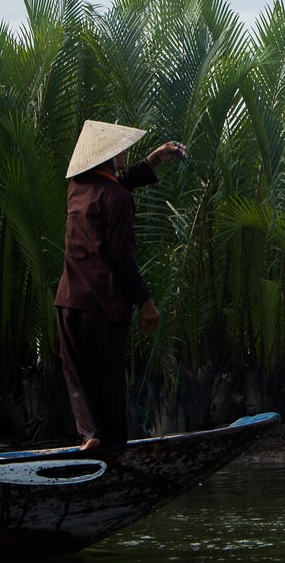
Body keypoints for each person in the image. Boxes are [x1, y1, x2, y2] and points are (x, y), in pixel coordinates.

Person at [54, 119, 187, 450]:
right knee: (110, 382)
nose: (125, 153)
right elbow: (121, 257)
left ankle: (90, 435)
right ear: (107, 159)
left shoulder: (77, 190)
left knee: (76, 375)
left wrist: (153, 160)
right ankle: (113, 451)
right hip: (104, 305)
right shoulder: (118, 199)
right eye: (120, 151)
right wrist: (145, 301)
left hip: (69, 301)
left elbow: (116, 184)